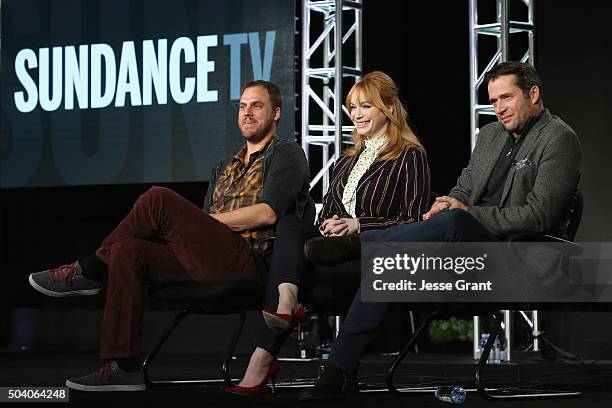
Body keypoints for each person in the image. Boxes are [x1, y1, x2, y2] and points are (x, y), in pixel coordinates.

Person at [300, 61, 582, 400]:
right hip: (463, 255)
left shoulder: (559, 138)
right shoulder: (491, 135)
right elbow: (463, 190)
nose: (499, 108)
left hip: (518, 258)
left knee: (454, 221)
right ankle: (338, 372)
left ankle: (359, 242)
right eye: (493, 101)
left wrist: (464, 213)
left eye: (506, 98)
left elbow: (539, 216)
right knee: (390, 264)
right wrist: (445, 203)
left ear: (533, 94)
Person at [28, 80, 310, 392]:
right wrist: (199, 227)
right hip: (207, 258)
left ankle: (90, 270)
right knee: (127, 250)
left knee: (157, 199)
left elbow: (267, 213)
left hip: (248, 259)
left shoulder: (286, 153)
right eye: (243, 106)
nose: (247, 113)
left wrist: (207, 223)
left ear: (276, 113)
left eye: (257, 106)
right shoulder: (224, 168)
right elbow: (202, 227)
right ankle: (124, 367)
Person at [226, 71, 431, 395]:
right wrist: (327, 225)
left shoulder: (408, 156)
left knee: (291, 256)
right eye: (353, 107)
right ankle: (286, 301)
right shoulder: (344, 162)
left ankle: (263, 357)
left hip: (370, 251)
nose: (358, 114)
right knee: (291, 221)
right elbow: (330, 211)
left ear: (389, 108)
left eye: (366, 106)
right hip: (328, 250)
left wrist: (358, 225)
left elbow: (414, 222)